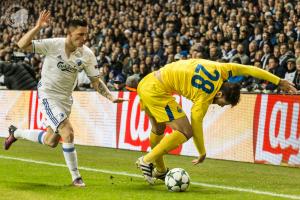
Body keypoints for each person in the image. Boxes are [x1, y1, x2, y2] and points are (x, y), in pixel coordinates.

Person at [4, 10, 126, 187]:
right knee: (67, 132)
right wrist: (38, 27)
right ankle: (76, 178)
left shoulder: (87, 54)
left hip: (65, 99)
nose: (84, 38)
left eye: (86, 34)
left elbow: (95, 81)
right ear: (69, 34)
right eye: (80, 34)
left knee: (51, 141)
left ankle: (16, 132)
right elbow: (22, 44)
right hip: (47, 95)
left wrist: (110, 97)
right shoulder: (54, 45)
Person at [135, 58, 297, 184]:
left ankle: (161, 171)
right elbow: (195, 128)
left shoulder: (221, 69)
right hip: (156, 91)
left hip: (147, 81)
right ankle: (146, 160)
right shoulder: (203, 99)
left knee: (158, 129)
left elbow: (249, 70)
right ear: (219, 94)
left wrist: (279, 81)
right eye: (222, 104)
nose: (219, 106)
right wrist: (202, 152)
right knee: (185, 131)